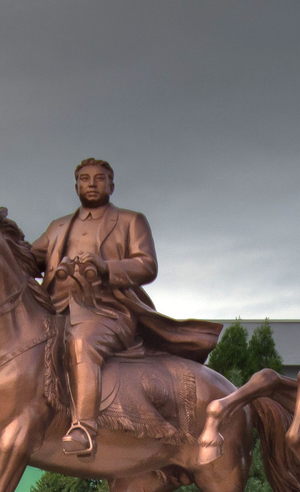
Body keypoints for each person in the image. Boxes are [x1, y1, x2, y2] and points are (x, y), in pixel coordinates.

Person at [32, 158, 221, 458]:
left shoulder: (130, 221)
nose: (91, 183)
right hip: (57, 310)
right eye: (84, 178)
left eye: (98, 178)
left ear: (111, 185)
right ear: (76, 185)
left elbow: (147, 265)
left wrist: (106, 268)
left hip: (108, 312)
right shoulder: (57, 227)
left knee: (82, 344)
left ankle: (84, 429)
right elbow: (28, 259)